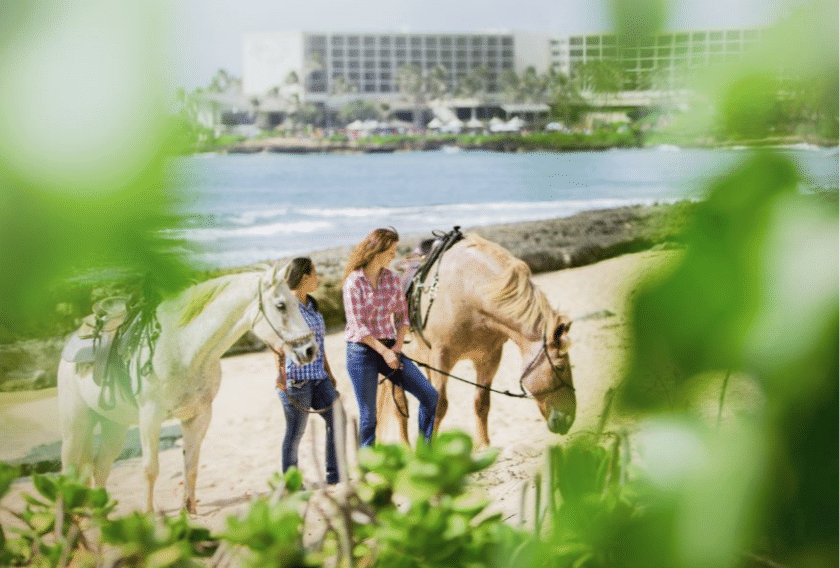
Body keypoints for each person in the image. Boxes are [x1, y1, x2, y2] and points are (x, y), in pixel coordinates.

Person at [342, 227, 439, 447]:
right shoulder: (354, 282)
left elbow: (402, 318)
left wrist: (395, 346)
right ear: (377, 250)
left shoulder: (392, 279)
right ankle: (366, 470)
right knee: (369, 418)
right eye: (391, 250)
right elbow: (359, 327)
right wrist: (385, 352)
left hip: (389, 349)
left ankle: (425, 454)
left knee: (430, 396)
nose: (395, 255)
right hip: (361, 352)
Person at [276, 257, 340, 485]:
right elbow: (277, 345)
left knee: (338, 419)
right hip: (297, 381)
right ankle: (292, 484)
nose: (318, 279)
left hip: (319, 378)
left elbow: (319, 344)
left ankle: (335, 475)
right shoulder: (286, 308)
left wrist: (329, 373)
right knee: (295, 435)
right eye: (314, 274)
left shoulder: (312, 306)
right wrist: (280, 374)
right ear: (304, 277)